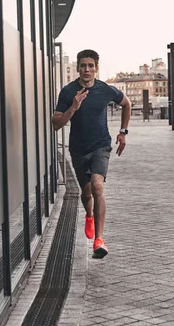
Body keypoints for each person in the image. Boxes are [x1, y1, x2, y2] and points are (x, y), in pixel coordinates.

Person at [52, 49, 131, 258]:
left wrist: (123, 132)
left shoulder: (106, 90)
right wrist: (73, 108)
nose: (86, 70)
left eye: (90, 66)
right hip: (78, 149)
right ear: (78, 68)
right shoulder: (68, 92)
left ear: (96, 68)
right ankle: (89, 215)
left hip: (101, 146)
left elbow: (127, 104)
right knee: (86, 194)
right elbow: (56, 124)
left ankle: (99, 240)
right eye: (83, 66)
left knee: (98, 187)